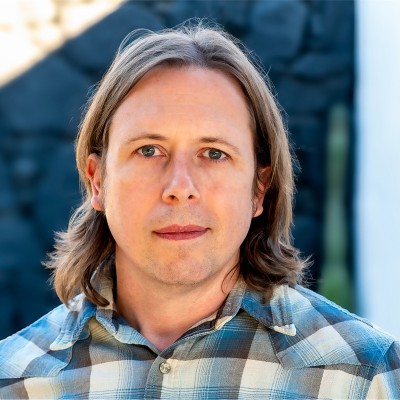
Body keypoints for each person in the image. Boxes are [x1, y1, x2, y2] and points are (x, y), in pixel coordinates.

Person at [0, 22, 399, 399]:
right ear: (97, 181)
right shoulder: (14, 380)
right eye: (148, 150)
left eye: (214, 153)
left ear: (259, 188)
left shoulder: (363, 375)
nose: (180, 188)